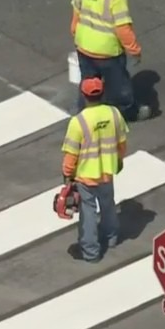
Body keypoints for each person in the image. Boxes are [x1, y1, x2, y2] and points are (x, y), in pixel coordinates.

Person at [69, 0, 151, 122]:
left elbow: (76, 13)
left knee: (88, 82)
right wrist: (134, 50)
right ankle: (127, 112)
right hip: (107, 53)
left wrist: (76, 33)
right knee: (119, 87)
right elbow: (123, 29)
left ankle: (83, 112)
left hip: (84, 47)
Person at [62, 76, 129, 262]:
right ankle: (111, 237)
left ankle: (91, 252)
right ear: (102, 93)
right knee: (108, 205)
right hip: (106, 172)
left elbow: (71, 154)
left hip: (85, 176)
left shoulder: (78, 122)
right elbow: (122, 144)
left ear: (84, 95)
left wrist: (67, 174)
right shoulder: (114, 114)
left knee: (88, 213)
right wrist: (118, 160)